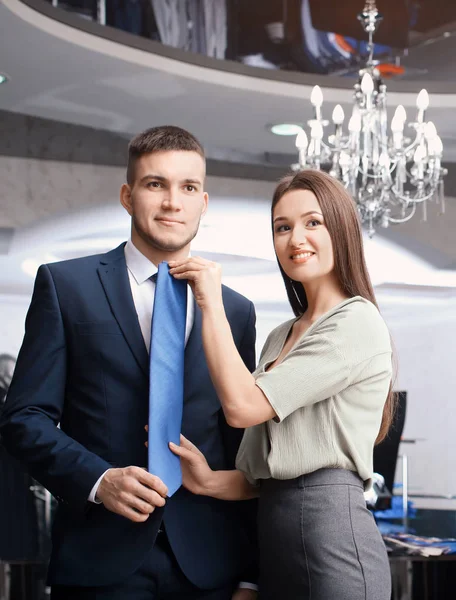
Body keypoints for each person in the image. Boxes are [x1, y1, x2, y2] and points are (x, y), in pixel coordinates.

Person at [0, 126, 258, 600]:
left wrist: (251, 574)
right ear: (127, 195)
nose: (172, 203)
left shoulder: (234, 310)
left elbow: (242, 445)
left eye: (188, 188)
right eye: (155, 184)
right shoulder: (65, 286)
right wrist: (97, 480)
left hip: (211, 567)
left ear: (204, 202)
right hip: (99, 560)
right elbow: (23, 419)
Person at [167, 169, 394, 600]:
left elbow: (242, 407)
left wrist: (209, 301)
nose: (296, 239)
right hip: (279, 541)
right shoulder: (281, 336)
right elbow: (268, 477)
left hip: (334, 541)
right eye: (282, 227)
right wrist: (208, 480)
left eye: (313, 223)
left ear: (341, 229)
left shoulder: (356, 321)